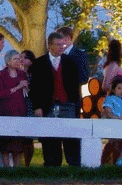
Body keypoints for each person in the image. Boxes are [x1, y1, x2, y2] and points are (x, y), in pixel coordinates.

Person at [29, 29, 83, 166]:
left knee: (71, 137)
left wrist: (74, 103)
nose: (61, 47)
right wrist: (37, 107)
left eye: (63, 45)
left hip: (68, 104)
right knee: (50, 137)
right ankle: (52, 166)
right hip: (48, 105)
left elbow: (76, 84)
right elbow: (34, 87)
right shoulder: (39, 63)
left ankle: (74, 166)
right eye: (58, 45)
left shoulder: (70, 61)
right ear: (49, 45)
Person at [0, 49, 34, 168]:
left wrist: (26, 88)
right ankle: (6, 169)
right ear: (8, 60)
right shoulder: (0, 75)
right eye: (15, 59)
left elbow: (26, 92)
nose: (18, 61)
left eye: (19, 59)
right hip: (5, 111)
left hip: (20, 111)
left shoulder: (22, 74)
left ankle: (16, 170)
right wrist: (17, 87)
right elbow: (1, 93)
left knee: (17, 146)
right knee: (5, 146)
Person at [97, 74, 122, 166]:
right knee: (115, 141)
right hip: (113, 125)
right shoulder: (110, 99)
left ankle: (121, 161)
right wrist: (116, 118)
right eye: (119, 88)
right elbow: (107, 112)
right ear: (113, 89)